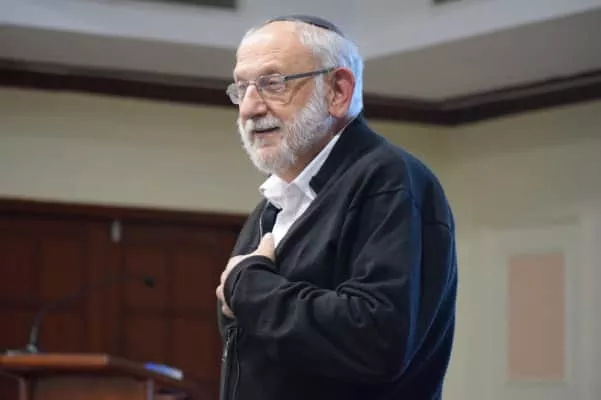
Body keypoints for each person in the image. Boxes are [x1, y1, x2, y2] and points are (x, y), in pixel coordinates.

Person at [215, 14, 458, 400]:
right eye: (241, 88)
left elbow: (376, 339)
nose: (249, 108)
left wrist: (248, 285)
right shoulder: (271, 207)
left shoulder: (389, 180)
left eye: (272, 83)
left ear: (338, 91)